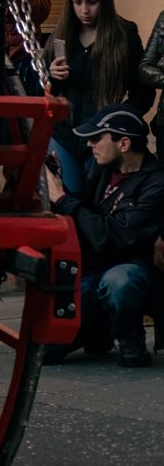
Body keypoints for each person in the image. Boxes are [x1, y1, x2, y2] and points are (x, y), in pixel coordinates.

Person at [48, 106, 164, 368]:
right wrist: (58, 185)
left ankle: (130, 337)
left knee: (120, 280)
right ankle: (99, 330)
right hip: (93, 269)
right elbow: (88, 216)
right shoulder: (101, 170)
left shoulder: (156, 183)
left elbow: (114, 236)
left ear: (123, 143)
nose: (89, 144)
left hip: (132, 270)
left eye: (97, 138)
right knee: (48, 353)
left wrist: (64, 199)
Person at [45, 0, 149, 194]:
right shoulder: (61, 36)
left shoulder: (124, 35)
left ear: (105, 0)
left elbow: (143, 93)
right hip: (64, 136)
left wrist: (115, 123)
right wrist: (51, 77)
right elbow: (41, 93)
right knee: (65, 201)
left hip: (103, 139)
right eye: (77, 3)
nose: (84, 10)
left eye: (92, 2)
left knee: (95, 205)